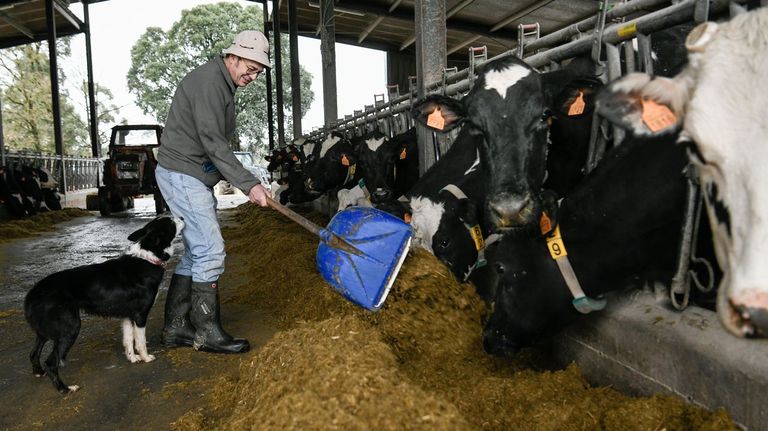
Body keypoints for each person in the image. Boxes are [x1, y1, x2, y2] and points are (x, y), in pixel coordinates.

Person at [154, 30, 271, 354]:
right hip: (182, 173)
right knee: (210, 250)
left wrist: (249, 181)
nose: (253, 75)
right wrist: (249, 184)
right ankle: (207, 333)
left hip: (188, 174)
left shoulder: (222, 84)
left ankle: (176, 327)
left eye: (258, 71)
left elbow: (214, 143)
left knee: (196, 251)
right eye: (250, 67)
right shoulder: (209, 82)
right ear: (232, 57)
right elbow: (212, 141)